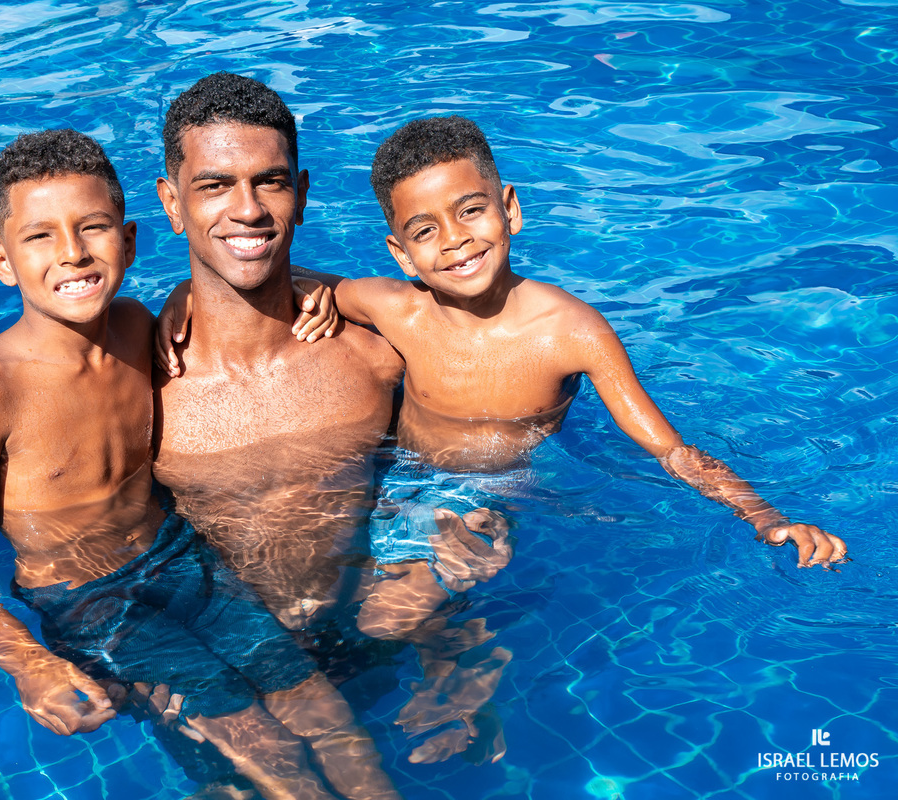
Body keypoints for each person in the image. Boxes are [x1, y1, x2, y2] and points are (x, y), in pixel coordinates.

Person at [0, 128, 401, 800]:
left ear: (131, 239)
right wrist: (25, 662)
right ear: (3, 261)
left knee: (326, 716)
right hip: (90, 597)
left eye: (92, 228)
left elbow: (226, 295)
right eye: (41, 238)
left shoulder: (139, 325)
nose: (72, 253)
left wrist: (320, 290)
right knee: (264, 754)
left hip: (182, 559)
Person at [280, 115, 851, 630]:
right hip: (394, 479)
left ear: (510, 209)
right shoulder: (395, 309)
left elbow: (669, 450)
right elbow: (283, 275)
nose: (454, 240)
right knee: (305, 606)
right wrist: (192, 297)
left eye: (470, 210)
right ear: (402, 254)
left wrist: (764, 514)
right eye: (425, 231)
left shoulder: (572, 332)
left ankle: (465, 643)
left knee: (386, 620)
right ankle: (455, 654)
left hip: (492, 493)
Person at [151, 72, 512, 769]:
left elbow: (478, 455)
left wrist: (484, 536)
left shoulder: (376, 352)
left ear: (303, 193)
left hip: (378, 631)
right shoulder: (140, 382)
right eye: (214, 185)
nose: (248, 209)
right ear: (172, 203)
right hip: (227, 671)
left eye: (272, 182)